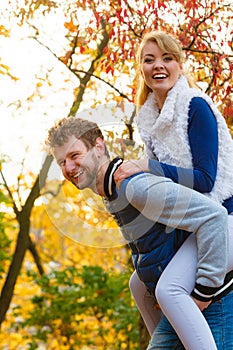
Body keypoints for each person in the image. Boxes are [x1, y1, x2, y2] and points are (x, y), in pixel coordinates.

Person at [45, 116, 233, 350]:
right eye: (61, 162)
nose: (69, 168)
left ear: (98, 147)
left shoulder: (134, 186)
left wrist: (203, 293)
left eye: (74, 156)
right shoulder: (111, 193)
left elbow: (215, 217)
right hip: (178, 295)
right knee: (137, 283)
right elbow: (156, 242)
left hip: (217, 295)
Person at [113, 30, 233, 348]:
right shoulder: (150, 121)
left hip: (225, 218)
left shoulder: (196, 107)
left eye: (167, 58)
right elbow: (161, 191)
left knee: (169, 289)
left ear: (179, 64)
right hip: (194, 224)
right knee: (138, 284)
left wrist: (145, 166)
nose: (158, 66)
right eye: (149, 60)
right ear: (141, 68)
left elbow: (206, 180)